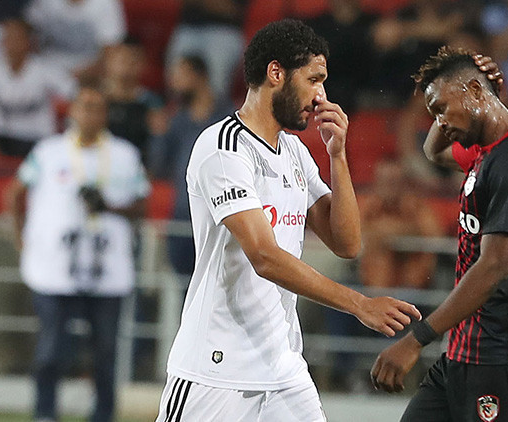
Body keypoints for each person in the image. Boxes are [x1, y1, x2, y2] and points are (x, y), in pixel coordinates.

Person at [155, 19, 421, 422]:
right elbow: (264, 257)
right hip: (216, 369)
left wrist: (338, 155)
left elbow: (347, 243)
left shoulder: (295, 151)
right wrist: (359, 304)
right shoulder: (223, 148)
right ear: (276, 73)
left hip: (283, 368)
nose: (321, 96)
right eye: (313, 80)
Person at [371, 47, 508, 422]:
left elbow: (494, 267)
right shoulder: (487, 154)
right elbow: (432, 151)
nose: (439, 122)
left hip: (504, 351)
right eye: (433, 114)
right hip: (466, 348)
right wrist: (470, 88)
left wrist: (416, 339)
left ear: (473, 91)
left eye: (441, 108)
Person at [7, 83, 149, 422]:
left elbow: (142, 205)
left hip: (107, 268)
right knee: (51, 349)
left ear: (106, 114)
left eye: (97, 107)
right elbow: (14, 193)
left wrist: (109, 207)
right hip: (55, 268)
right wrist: (20, 238)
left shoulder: (125, 154)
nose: (90, 114)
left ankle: (103, 415)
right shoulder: (48, 151)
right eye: (84, 106)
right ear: (72, 111)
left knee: (105, 352)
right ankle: (45, 413)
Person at [149, 55, 234, 276]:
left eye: (180, 75)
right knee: (184, 284)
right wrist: (159, 135)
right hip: (183, 213)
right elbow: (159, 167)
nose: (173, 82)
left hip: (221, 215)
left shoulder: (228, 117)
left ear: (200, 76)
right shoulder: (176, 120)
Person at [0, 18, 75, 157]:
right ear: (2, 43)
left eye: (18, 38)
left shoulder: (44, 69)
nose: (13, 43)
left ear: (28, 42)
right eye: (8, 38)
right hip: (0, 138)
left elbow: (73, 92)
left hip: (37, 138)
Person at [360, 159, 441, 289]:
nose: (389, 187)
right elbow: (355, 235)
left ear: (404, 183)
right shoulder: (369, 207)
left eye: (393, 181)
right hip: (372, 285)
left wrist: (391, 231)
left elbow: (436, 238)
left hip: (412, 285)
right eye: (384, 181)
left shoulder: (417, 207)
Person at [165, 0, 247, 100]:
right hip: (188, 27)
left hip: (224, 31)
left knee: (215, 85)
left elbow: (230, 9)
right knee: (177, 82)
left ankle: (216, 110)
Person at [103, 37, 164, 165]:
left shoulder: (151, 103)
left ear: (142, 65)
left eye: (133, 61)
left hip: (139, 164)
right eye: (123, 60)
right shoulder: (97, 99)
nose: (127, 67)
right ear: (110, 62)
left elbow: (159, 141)